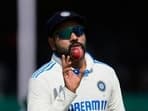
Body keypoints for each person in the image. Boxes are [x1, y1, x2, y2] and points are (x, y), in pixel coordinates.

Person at [27, 10, 126, 111]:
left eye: (78, 30)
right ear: (52, 43)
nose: (74, 37)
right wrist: (68, 92)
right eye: (65, 33)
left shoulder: (106, 72)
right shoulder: (41, 79)